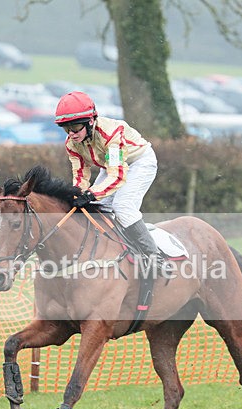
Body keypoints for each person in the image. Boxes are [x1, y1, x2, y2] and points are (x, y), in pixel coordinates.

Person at [54, 90, 171, 276]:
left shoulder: (111, 134)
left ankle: (154, 256)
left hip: (139, 163)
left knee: (122, 206)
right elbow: (80, 175)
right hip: (110, 166)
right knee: (95, 206)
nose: (71, 133)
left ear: (90, 121)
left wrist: (91, 194)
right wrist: (78, 193)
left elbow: (117, 176)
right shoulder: (72, 144)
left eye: (75, 126)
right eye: (66, 128)